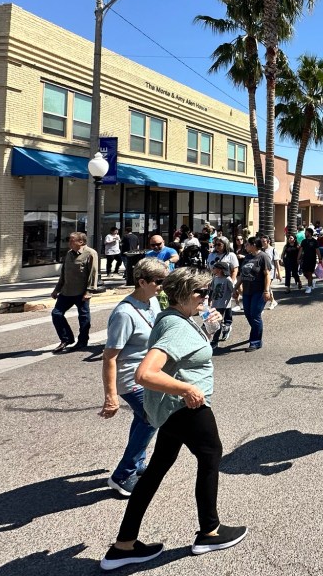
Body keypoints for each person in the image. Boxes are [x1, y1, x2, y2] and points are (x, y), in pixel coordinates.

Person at [100, 268, 247, 572]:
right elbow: (145, 373)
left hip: (169, 409)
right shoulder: (176, 325)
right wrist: (187, 388)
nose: (205, 298)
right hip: (186, 406)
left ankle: (124, 544)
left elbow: (184, 353)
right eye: (201, 293)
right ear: (184, 294)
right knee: (209, 458)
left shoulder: (173, 318)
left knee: (155, 470)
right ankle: (210, 531)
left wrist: (206, 330)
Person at [100, 257, 165, 497]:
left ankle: (137, 464)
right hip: (131, 379)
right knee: (153, 418)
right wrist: (111, 397)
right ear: (141, 281)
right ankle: (121, 475)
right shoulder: (124, 314)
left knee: (143, 420)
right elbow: (109, 357)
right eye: (158, 281)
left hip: (149, 374)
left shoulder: (152, 301)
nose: (161, 286)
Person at [50, 232, 99, 353]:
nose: (69, 243)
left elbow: (93, 274)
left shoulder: (90, 253)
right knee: (56, 314)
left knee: (83, 317)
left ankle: (82, 341)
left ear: (81, 242)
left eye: (72, 240)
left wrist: (89, 291)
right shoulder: (68, 254)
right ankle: (66, 339)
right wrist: (57, 289)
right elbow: (63, 273)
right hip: (66, 291)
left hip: (81, 292)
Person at [233, 237, 273, 352]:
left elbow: (267, 275)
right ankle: (256, 330)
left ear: (254, 244)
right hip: (247, 291)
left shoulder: (263, 257)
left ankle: (256, 341)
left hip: (259, 291)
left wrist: (266, 291)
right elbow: (242, 275)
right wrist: (235, 288)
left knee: (255, 315)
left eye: (247, 244)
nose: (245, 246)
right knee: (248, 314)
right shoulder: (247, 257)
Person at [208, 262, 234, 349]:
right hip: (215, 304)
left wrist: (233, 296)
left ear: (219, 270)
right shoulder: (215, 279)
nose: (213, 269)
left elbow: (232, 291)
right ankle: (224, 330)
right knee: (215, 323)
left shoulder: (227, 279)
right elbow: (211, 290)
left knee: (217, 323)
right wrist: (209, 300)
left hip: (224, 305)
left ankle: (215, 341)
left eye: (214, 268)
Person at [300, 227, 320, 294]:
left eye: (306, 232)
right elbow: (301, 250)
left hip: (312, 259)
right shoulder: (304, 241)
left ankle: (309, 287)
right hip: (304, 259)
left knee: (309, 272)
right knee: (305, 273)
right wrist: (298, 258)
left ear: (309, 233)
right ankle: (312, 280)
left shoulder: (314, 241)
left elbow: (317, 250)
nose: (305, 233)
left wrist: (320, 259)